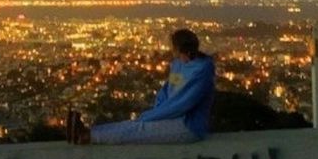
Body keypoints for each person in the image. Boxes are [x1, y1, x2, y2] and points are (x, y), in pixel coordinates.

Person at [77, 28, 215, 144]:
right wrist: (157, 110)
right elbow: (169, 89)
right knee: (134, 124)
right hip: (170, 115)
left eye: (175, 50)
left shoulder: (202, 70)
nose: (174, 53)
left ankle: (88, 137)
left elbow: (183, 103)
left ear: (183, 50)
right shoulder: (178, 64)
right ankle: (89, 131)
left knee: (140, 129)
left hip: (189, 125)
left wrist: (154, 115)